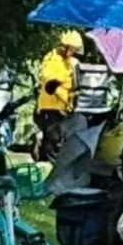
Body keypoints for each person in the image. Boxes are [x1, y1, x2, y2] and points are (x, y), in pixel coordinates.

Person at [33, 30, 84, 160]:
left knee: (61, 139)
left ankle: (47, 163)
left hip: (63, 109)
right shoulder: (52, 59)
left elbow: (74, 85)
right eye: (72, 49)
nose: (73, 53)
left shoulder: (71, 62)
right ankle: (52, 169)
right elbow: (51, 85)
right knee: (54, 141)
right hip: (50, 108)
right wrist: (66, 101)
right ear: (65, 47)